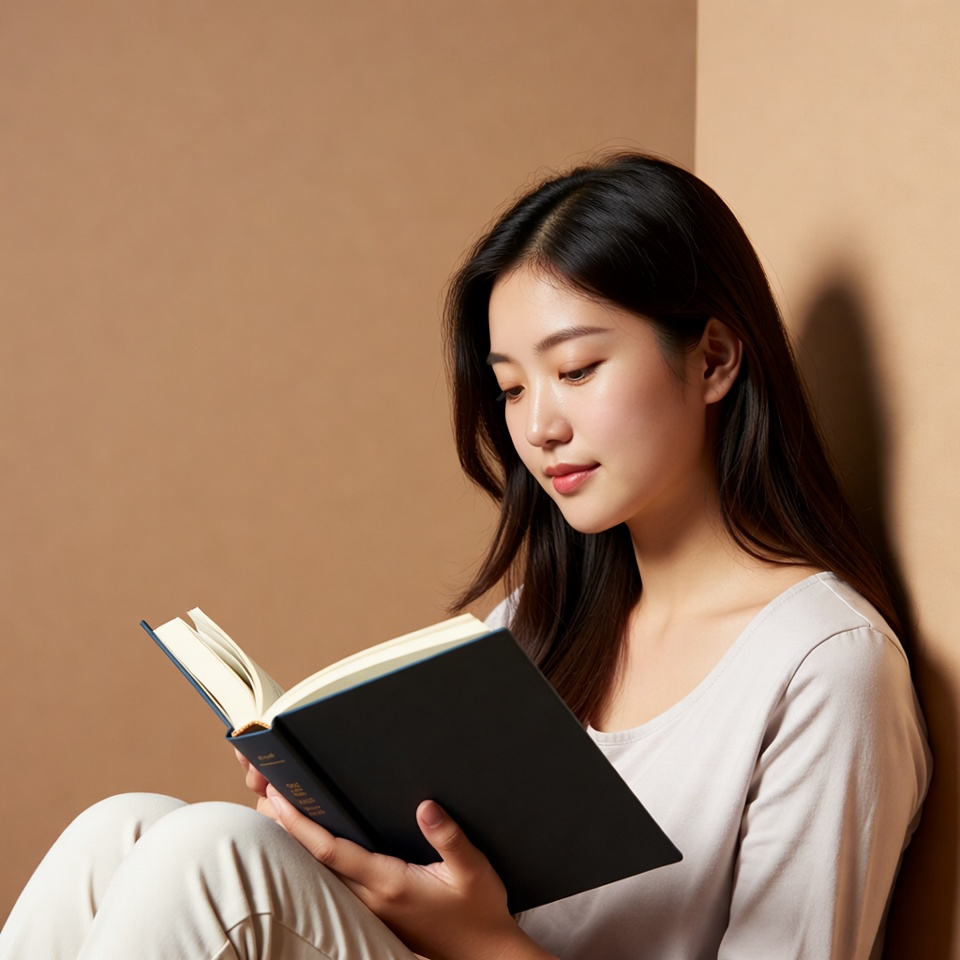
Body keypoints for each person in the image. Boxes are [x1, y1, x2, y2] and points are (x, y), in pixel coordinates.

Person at [0, 153, 930, 960]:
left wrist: (482, 941)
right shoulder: (541, 623)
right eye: (512, 388)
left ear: (716, 360)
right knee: (117, 831)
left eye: (576, 371)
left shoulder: (823, 664)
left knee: (210, 857)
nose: (540, 427)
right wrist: (328, 818)